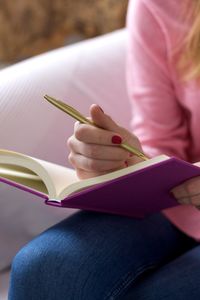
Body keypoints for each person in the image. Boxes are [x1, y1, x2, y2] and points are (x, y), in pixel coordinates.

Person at [8, 0, 200, 299]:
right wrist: (126, 162)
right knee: (43, 267)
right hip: (181, 206)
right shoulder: (161, 6)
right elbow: (162, 139)